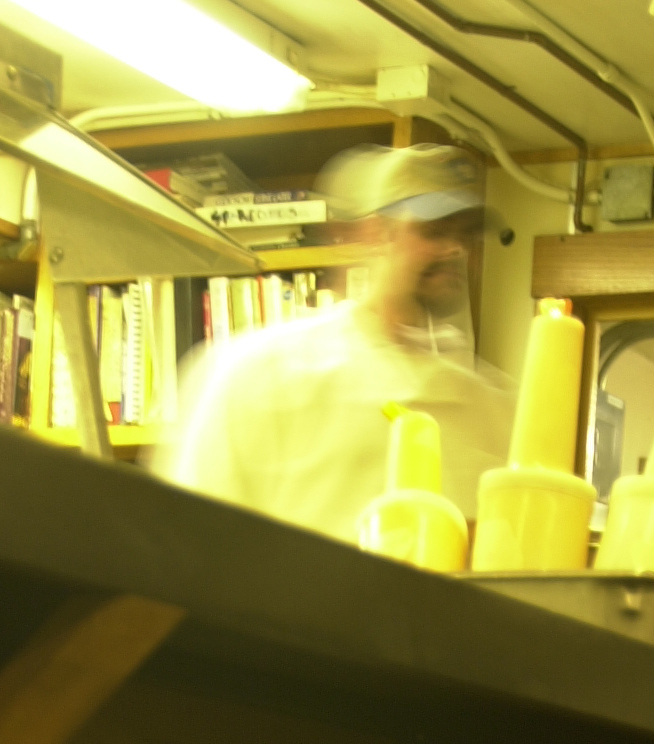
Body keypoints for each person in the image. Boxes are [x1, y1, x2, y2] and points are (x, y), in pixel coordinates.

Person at [159, 146, 514, 542]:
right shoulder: (260, 375)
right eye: (434, 231)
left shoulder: (496, 408)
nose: (455, 249)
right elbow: (187, 544)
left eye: (466, 235)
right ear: (375, 232)